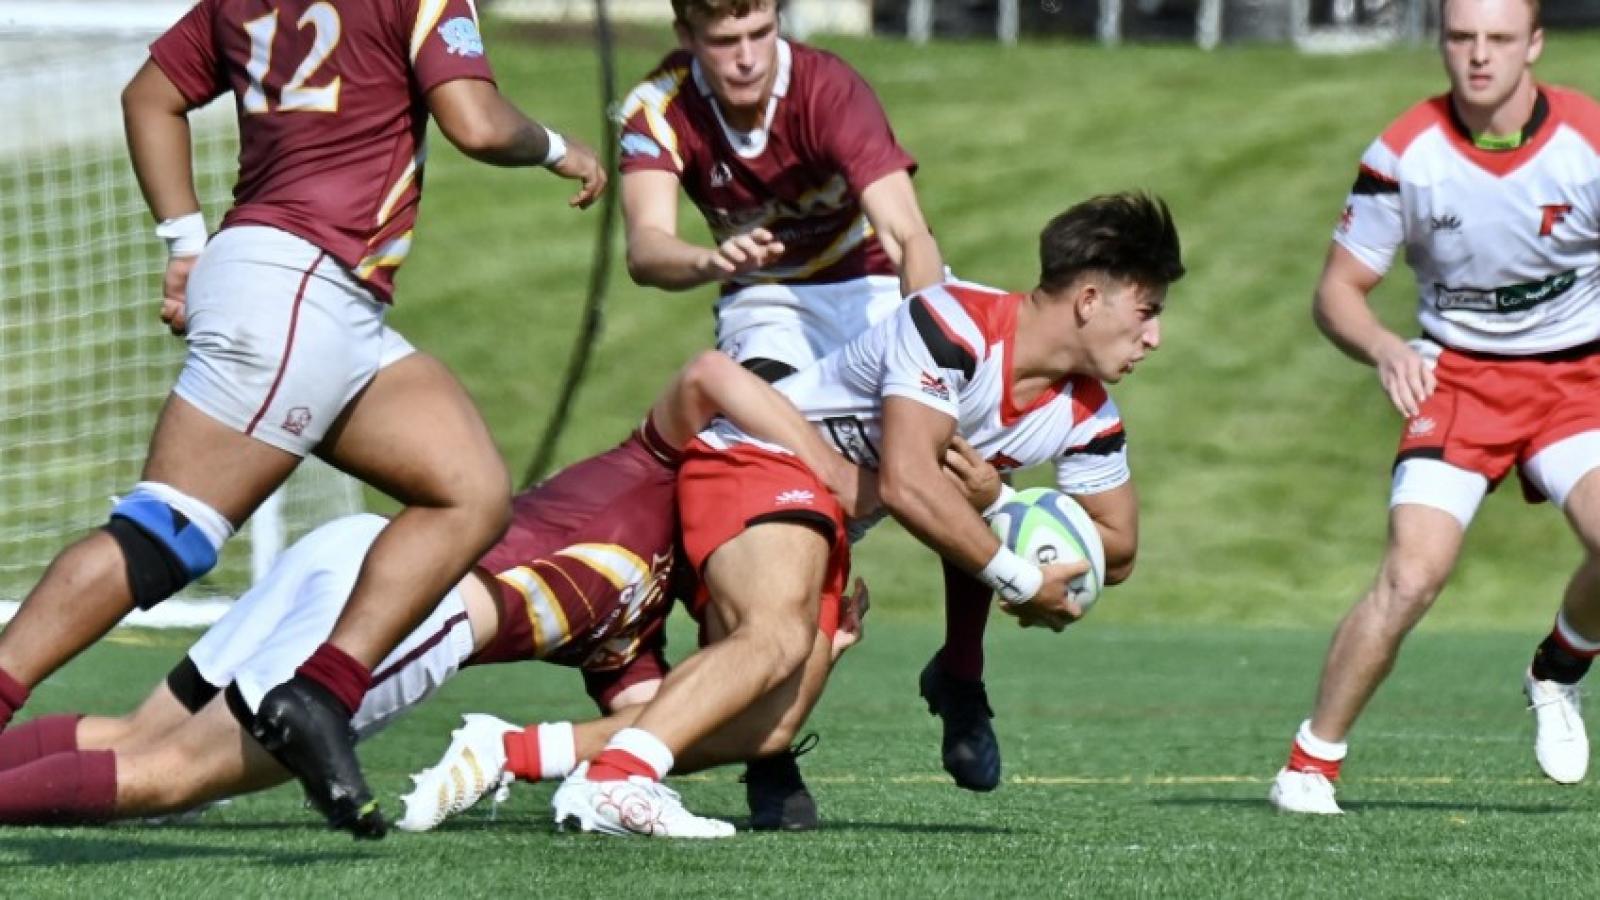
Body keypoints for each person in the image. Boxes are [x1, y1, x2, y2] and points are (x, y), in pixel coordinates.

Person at [0, 0, 608, 839]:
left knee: (469, 491)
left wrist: (184, 241)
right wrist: (558, 148)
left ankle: (320, 689)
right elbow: (474, 121)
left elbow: (149, 96)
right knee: (163, 534)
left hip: (319, 298)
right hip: (302, 288)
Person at [0, 352, 863, 830]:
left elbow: (660, 723)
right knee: (175, 774)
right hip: (415, 600)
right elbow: (711, 372)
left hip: (363, 556)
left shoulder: (639, 619)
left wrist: (794, 658)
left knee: (140, 732)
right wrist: (820, 460)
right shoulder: (670, 455)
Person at [546, 192, 1183, 837]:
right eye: (1147, 312)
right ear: (1088, 301)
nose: (1155, 337)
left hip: (827, 519)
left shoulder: (1090, 414)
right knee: (773, 638)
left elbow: (1119, 551)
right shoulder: (955, 325)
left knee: (766, 726)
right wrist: (1020, 576)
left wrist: (1002, 503)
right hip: (759, 461)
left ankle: (510, 754)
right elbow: (909, 483)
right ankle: (616, 781)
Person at [617, 0, 1003, 810]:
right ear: (688, 41)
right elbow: (648, 249)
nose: (749, 57)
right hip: (763, 297)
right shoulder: (656, 108)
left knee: (967, 440)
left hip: (863, 279)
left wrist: (926, 333)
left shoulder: (827, 86)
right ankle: (768, 742)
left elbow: (906, 231)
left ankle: (961, 672)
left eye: (761, 34)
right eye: (725, 43)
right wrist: (707, 257)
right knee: (767, 477)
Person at [1268, 0, 1600, 815]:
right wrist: (1386, 349)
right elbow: (1337, 292)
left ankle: (1556, 671)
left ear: (1534, 45)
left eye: (1497, 39)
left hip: (1575, 384)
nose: (1478, 57)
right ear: (1442, 43)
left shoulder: (1588, 140)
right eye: (1460, 38)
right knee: (1413, 574)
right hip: (1458, 383)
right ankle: (1309, 766)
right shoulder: (1404, 154)